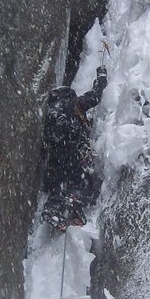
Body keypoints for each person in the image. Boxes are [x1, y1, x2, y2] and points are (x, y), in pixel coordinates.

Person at [40, 66, 107, 230]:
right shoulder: (70, 106)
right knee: (77, 178)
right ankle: (64, 205)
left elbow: (48, 139)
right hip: (69, 151)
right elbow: (95, 96)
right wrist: (101, 78)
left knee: (68, 179)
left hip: (62, 155)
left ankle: (62, 205)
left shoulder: (59, 109)